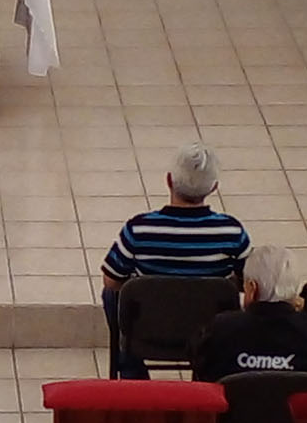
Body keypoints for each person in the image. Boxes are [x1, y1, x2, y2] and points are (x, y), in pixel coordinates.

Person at [101, 143, 251, 378]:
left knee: (111, 294)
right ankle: (207, 373)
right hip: (207, 333)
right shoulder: (231, 232)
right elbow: (249, 283)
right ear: (214, 187)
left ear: (169, 180)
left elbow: (111, 280)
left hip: (148, 332)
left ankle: (132, 370)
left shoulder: (139, 229)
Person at [192, 245, 307, 382]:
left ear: (252, 288)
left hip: (237, 405)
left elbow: (199, 364)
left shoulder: (220, 328)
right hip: (297, 406)